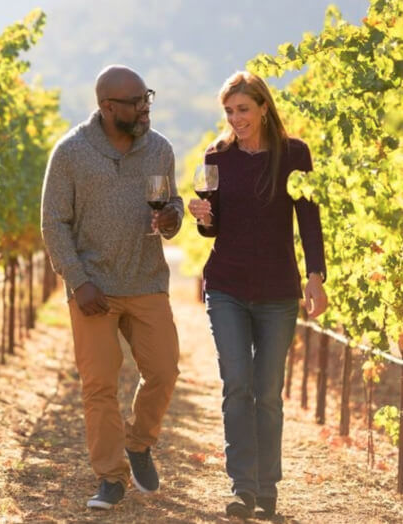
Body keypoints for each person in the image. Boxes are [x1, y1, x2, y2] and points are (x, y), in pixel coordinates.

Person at [41, 65, 182, 510]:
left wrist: (174, 217)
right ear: (107, 107)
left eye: (147, 98)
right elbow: (53, 223)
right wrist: (77, 280)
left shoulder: (159, 149)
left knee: (164, 371)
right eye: (136, 102)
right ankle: (110, 477)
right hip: (93, 289)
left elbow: (171, 204)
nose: (145, 108)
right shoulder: (71, 152)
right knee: (99, 385)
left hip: (146, 281)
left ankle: (139, 442)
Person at [187, 71, 328, 519]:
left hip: (277, 291)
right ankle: (242, 487)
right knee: (237, 386)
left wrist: (316, 277)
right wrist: (203, 216)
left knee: (268, 392)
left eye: (243, 109)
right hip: (226, 285)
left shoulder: (294, 153)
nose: (236, 118)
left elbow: (309, 219)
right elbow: (213, 228)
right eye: (229, 111)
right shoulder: (218, 156)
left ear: (264, 107)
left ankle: (268, 487)